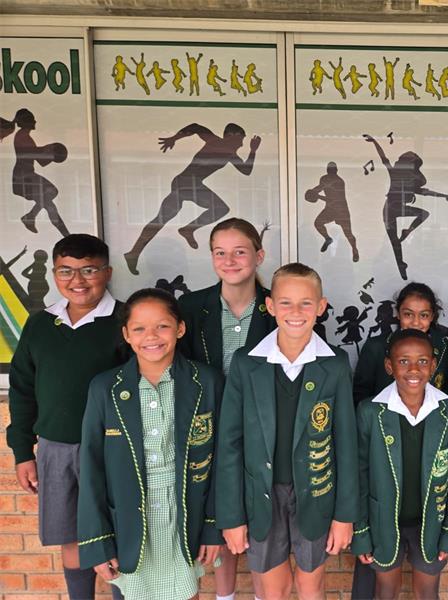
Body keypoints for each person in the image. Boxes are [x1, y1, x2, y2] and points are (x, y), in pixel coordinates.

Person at [216, 263, 359, 599]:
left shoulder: (334, 364)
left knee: (311, 585)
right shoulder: (246, 363)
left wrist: (344, 516)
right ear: (269, 305)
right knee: (272, 588)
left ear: (321, 307)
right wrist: (231, 517)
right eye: (286, 303)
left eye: (306, 303)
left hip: (317, 494)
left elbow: (347, 444)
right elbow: (229, 444)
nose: (296, 312)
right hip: (260, 497)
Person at [77, 288, 224, 600]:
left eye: (162, 326)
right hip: (129, 518)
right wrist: (97, 540)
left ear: (180, 329)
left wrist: (213, 526)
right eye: (140, 328)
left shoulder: (206, 382)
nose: (152, 336)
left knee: (186, 592)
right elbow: (91, 467)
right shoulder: (106, 388)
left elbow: (223, 459)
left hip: (184, 514)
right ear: (126, 335)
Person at [7, 234, 126, 600]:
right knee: (71, 535)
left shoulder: (126, 320)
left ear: (106, 272)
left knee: (120, 534)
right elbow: (22, 389)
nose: (77, 280)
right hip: (57, 451)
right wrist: (23, 451)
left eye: (88, 270)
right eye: (66, 271)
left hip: (113, 451)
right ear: (56, 274)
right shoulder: (41, 324)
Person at [177, 218, 276, 600]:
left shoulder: (276, 306)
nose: (230, 260)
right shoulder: (191, 306)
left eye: (240, 251)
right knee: (216, 522)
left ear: (258, 255)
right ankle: (224, 596)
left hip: (262, 434)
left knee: (259, 522)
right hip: (207, 433)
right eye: (220, 252)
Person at [352, 329, 448, 600]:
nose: (414, 369)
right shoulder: (371, 411)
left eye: (422, 361)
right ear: (389, 366)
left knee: (427, 593)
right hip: (382, 522)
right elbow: (359, 474)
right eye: (403, 361)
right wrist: (360, 531)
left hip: (432, 523)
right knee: (385, 591)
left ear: (433, 364)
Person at [124, 123, 261, 275]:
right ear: (230, 136)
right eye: (240, 140)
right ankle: (188, 229)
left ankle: (134, 253)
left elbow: (246, 170)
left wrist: (253, 150)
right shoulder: (214, 141)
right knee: (220, 208)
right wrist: (174, 138)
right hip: (188, 183)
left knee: (160, 220)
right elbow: (196, 127)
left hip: (186, 183)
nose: (241, 144)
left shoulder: (230, 154)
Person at [363, 134, 448, 280]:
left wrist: (446, 196)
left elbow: (426, 192)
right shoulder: (396, 174)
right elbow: (384, 158)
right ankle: (401, 265)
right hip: (390, 208)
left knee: (422, 215)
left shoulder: (409, 180)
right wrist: (375, 142)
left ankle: (407, 235)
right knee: (395, 241)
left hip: (394, 208)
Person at [354, 282, 448, 403]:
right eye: (408, 314)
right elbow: (360, 395)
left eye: (424, 315)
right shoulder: (376, 347)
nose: (415, 323)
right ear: (397, 313)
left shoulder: (443, 347)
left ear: (432, 316)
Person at [0, 108, 70, 236]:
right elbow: (37, 157)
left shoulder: (25, 136)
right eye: (32, 119)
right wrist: (51, 149)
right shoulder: (22, 136)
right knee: (51, 193)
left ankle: (32, 217)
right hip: (24, 177)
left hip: (27, 176)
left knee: (48, 201)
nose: (35, 121)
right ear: (27, 122)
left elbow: (40, 159)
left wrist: (49, 150)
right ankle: (65, 235)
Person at [304, 162, 359, 262]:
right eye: (329, 170)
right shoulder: (324, 179)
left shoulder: (339, 182)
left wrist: (318, 196)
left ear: (336, 171)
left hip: (341, 210)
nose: (330, 172)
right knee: (318, 223)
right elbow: (321, 186)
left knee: (348, 233)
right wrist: (313, 192)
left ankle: (354, 250)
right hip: (330, 209)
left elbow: (334, 199)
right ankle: (327, 238)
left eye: (332, 170)